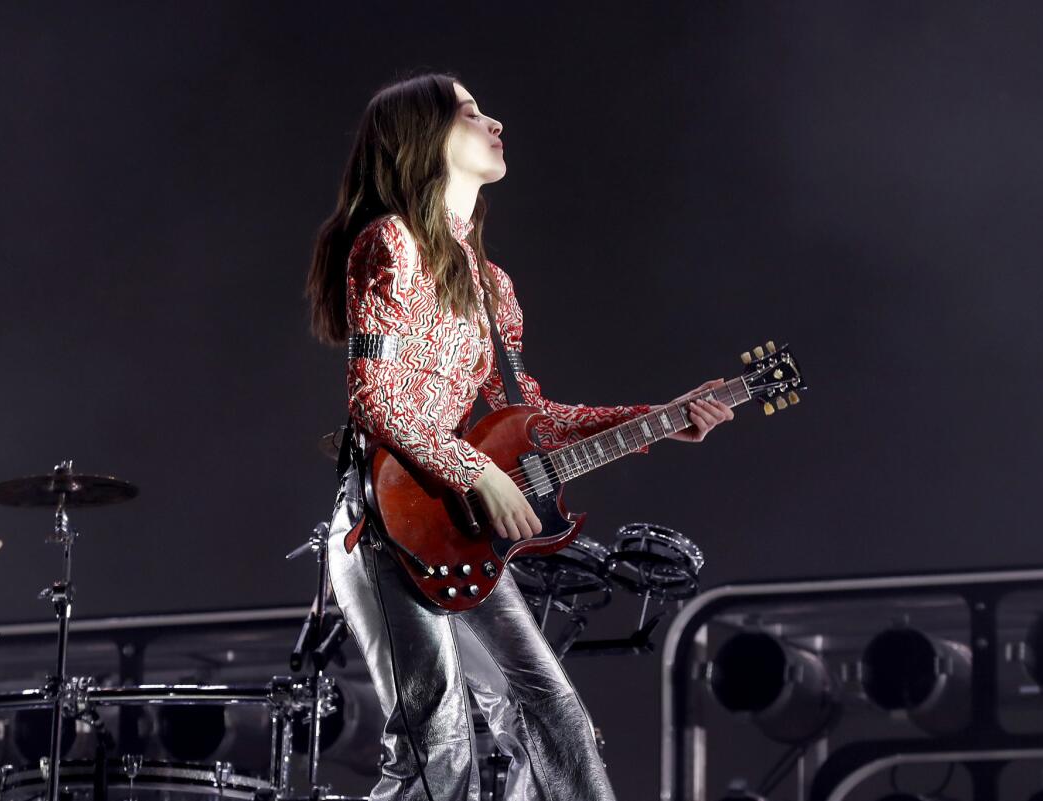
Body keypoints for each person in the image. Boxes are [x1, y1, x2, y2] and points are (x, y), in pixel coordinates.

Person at [305, 72, 733, 801]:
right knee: (436, 752)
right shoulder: (388, 244)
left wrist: (657, 417)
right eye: (470, 111)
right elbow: (373, 399)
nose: (494, 121)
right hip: (381, 526)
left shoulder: (492, 285)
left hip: (453, 531)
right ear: (424, 138)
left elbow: (527, 415)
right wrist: (478, 472)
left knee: (557, 722)